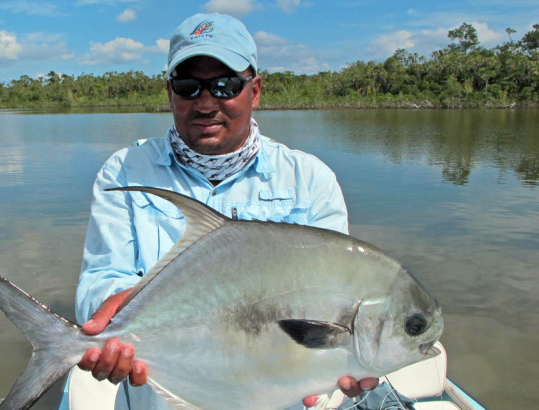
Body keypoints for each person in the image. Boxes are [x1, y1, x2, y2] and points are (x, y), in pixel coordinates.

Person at [71, 12, 378, 409]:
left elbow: (337, 294)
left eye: (224, 85)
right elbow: (99, 281)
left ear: (255, 90)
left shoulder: (310, 180)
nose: (205, 103)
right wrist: (116, 313)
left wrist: (350, 359)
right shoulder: (125, 171)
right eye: (187, 86)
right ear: (169, 93)